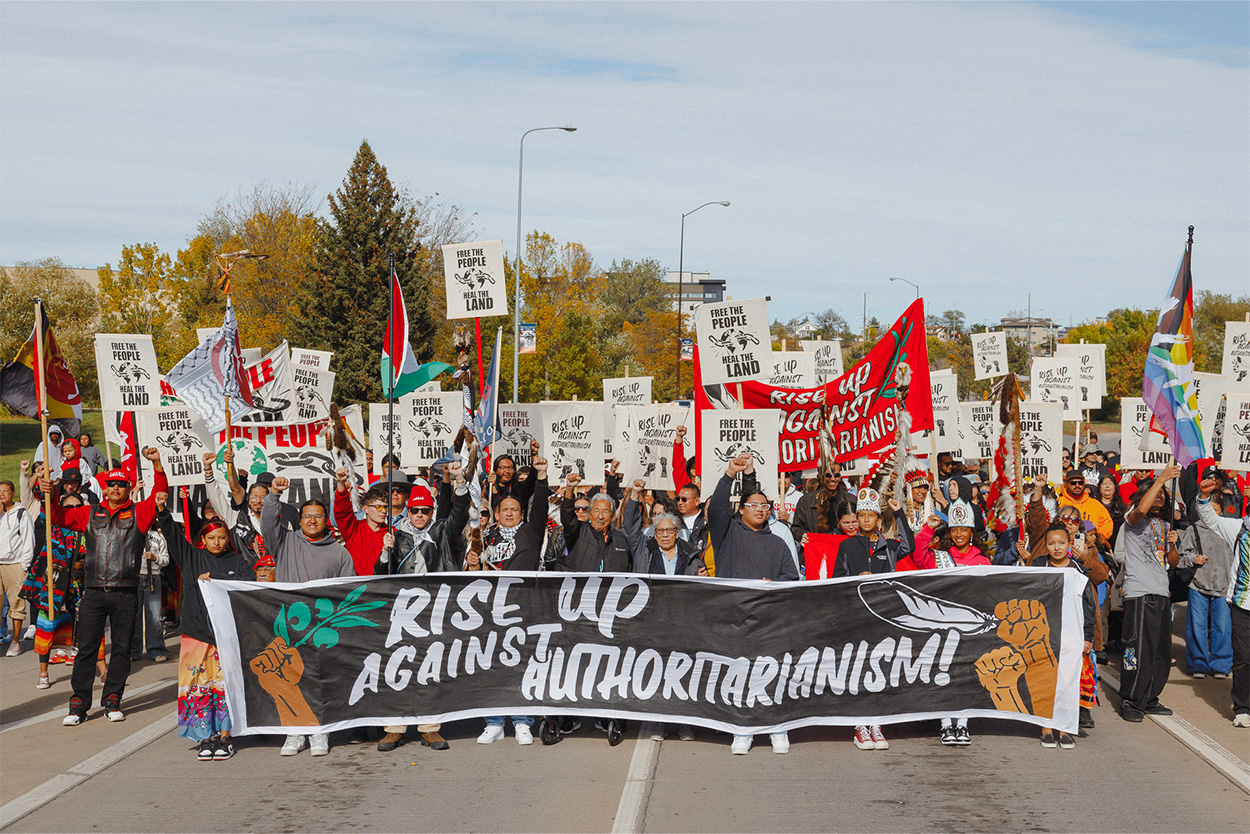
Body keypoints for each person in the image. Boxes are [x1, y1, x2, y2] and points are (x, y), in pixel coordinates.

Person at [43, 448, 168, 726]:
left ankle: (113, 700)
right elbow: (59, 517)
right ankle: (78, 705)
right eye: (110, 484)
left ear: (128, 487)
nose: (114, 488)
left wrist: (157, 465)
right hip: (94, 592)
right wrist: (49, 492)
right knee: (86, 649)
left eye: (120, 484)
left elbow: (160, 493)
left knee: (122, 649)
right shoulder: (89, 512)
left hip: (126, 592)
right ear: (105, 487)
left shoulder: (140, 513)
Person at [372, 461, 470, 754]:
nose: (418, 515)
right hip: (402, 611)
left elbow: (460, 512)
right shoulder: (395, 534)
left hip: (433, 611)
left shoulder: (442, 531)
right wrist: (385, 551)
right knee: (397, 667)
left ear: (430, 512)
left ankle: (430, 727)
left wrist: (458, 480)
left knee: (429, 668)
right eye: (414, 510)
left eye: (424, 511)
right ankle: (394, 728)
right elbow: (381, 574)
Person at [707, 453, 798, 755]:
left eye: (765, 506)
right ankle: (742, 728)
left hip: (769, 620)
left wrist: (775, 586)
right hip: (734, 616)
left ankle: (777, 728)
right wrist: (730, 473)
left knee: (771, 673)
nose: (760, 510)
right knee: (739, 674)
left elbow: (791, 577)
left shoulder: (778, 542)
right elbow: (718, 507)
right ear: (741, 509)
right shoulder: (727, 533)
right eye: (753, 505)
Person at [154, 490, 255, 760]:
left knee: (223, 685)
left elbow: (249, 589)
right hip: (196, 635)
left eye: (222, 537)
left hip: (225, 636)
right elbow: (174, 537)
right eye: (211, 538)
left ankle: (225, 737)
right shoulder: (191, 558)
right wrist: (162, 510)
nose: (217, 542)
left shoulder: (238, 562)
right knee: (198, 686)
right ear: (203, 539)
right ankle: (205, 737)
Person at [260, 476, 355, 756]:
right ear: (299, 520)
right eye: (307, 516)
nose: (312, 521)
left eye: (318, 516)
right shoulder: (284, 542)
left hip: (323, 631)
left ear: (327, 520)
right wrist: (274, 494)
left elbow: (345, 593)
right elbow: (267, 521)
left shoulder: (340, 553)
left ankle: (320, 731)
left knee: (319, 680)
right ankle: (294, 732)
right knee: (289, 680)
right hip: (289, 629)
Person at [471, 454, 549, 745]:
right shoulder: (487, 536)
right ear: (497, 511)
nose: (509, 513)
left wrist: (540, 477)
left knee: (521, 666)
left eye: (514, 509)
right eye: (504, 509)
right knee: (492, 667)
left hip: (523, 610)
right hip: (491, 612)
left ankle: (522, 721)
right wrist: (474, 559)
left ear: (521, 513)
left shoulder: (530, 531)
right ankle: (494, 722)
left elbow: (539, 507)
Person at [834, 487, 913, 752]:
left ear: (879, 520)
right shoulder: (846, 545)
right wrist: (856, 579)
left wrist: (898, 511)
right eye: (862, 515)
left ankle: (877, 723)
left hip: (882, 616)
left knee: (880, 667)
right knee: (858, 668)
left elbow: (909, 545)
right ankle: (859, 726)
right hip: (856, 615)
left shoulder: (888, 547)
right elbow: (836, 579)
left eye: (871, 516)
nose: (866, 520)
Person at [912, 499, 989, 746]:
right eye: (954, 530)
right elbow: (917, 556)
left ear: (971, 532)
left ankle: (963, 724)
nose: (958, 535)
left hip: (970, 630)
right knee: (944, 674)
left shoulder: (983, 561)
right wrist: (928, 530)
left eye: (963, 530)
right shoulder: (939, 557)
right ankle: (946, 724)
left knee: (966, 675)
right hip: (944, 628)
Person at [1111, 462, 1183, 723]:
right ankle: (1131, 698)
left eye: (1163, 494)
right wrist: (1161, 478)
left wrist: (1173, 545)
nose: (1161, 496)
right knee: (1137, 649)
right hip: (1139, 593)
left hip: (1161, 592)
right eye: (1156, 492)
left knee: (1160, 651)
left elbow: (1172, 562)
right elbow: (1141, 508)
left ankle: (1150, 697)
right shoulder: (1133, 519)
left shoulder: (1163, 525)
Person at [1033, 521, 1098, 749]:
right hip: (1045, 636)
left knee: (1068, 682)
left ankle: (1065, 728)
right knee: (1045, 681)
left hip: (1071, 635)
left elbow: (1088, 606)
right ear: (1046, 546)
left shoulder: (1078, 571)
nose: (1057, 548)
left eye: (1061, 543)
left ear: (1069, 544)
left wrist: (1087, 636)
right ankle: (1046, 728)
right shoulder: (1038, 567)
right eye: (1051, 544)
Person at [1193, 475, 1250, 727]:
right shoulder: (1238, 528)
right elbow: (1210, 519)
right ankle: (1242, 709)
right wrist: (1204, 496)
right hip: (1242, 603)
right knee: (1243, 658)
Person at [22, 492, 87, 688]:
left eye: (78, 507)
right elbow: (46, 510)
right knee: (46, 628)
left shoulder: (89, 529)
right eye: (69, 507)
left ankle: (99, 670)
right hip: (54, 586)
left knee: (87, 628)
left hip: (80, 587)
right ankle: (43, 673)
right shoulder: (54, 526)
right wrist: (46, 490)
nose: (74, 511)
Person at [1179, 474, 1234, 681]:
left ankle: (1221, 663)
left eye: (1216, 510)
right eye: (1208, 509)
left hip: (1223, 586)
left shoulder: (1229, 529)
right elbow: (1182, 557)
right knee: (1197, 626)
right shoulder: (1194, 529)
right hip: (1198, 585)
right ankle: (1197, 663)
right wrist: (1194, 558)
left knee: (1223, 627)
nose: (1211, 514)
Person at [559, 472, 636, 573]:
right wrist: (569, 488)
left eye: (605, 511)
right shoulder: (578, 532)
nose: (600, 516)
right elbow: (567, 516)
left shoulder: (621, 540)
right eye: (596, 511)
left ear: (612, 516)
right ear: (590, 514)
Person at [1, 480, 35, 657]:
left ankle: (15, 641)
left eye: (5, 491)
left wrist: (24, 564)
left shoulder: (20, 513)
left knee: (16, 603)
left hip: (14, 563)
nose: (1, 495)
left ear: (12, 493)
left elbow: (29, 538)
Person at [130, 528, 169, 663]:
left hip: (153, 578)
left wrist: (155, 558)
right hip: (134, 577)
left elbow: (166, 560)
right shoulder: (131, 532)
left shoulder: (158, 537)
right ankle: (133, 651)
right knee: (133, 615)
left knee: (154, 616)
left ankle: (156, 649)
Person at [803, 501, 858, 580]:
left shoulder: (868, 536)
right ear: (839, 522)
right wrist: (808, 542)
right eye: (845, 523)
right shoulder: (830, 538)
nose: (851, 526)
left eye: (854, 522)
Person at [1058, 469, 1113, 542]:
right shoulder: (1059, 502)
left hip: (1090, 544)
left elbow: (1106, 522)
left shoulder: (1094, 503)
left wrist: (1101, 534)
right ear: (1065, 484)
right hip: (1065, 544)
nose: (1077, 485)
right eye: (1073, 483)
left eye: (1080, 483)